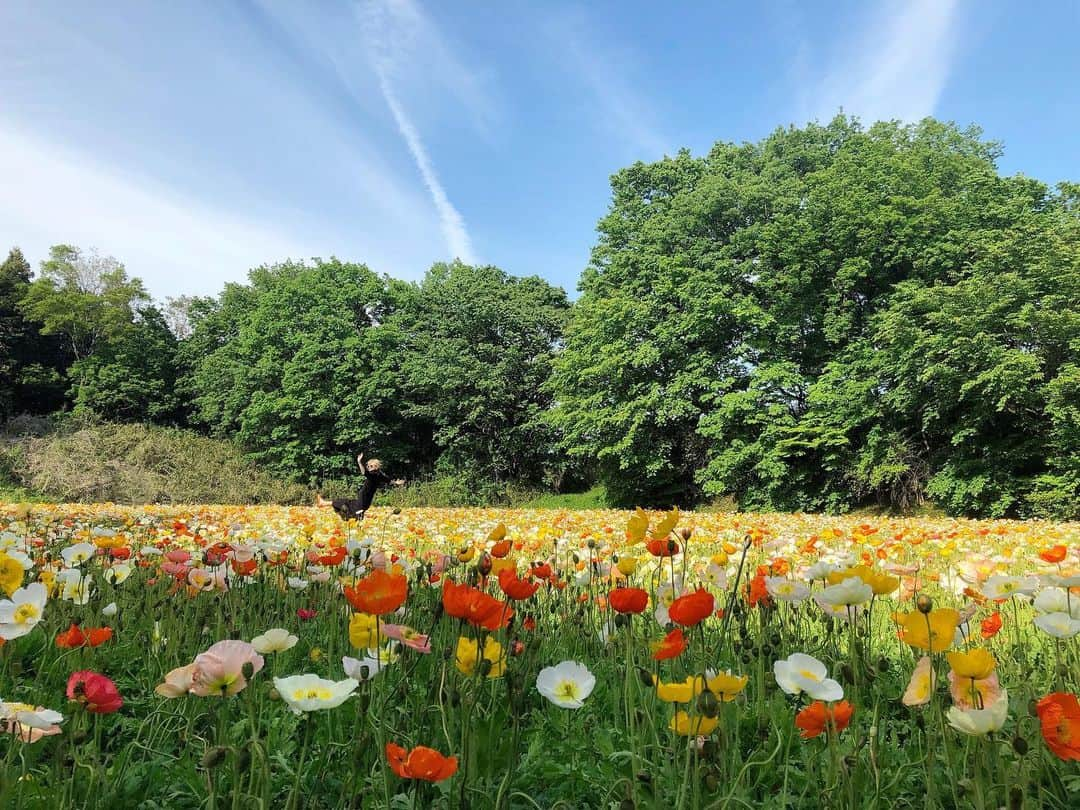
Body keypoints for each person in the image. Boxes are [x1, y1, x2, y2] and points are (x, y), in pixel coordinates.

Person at [314, 453, 404, 522]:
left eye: (370, 466)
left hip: (366, 498)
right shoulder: (377, 474)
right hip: (365, 497)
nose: (368, 467)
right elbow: (387, 480)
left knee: (354, 509)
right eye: (368, 466)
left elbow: (367, 473)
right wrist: (396, 483)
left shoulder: (376, 474)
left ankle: (327, 505)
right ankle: (324, 504)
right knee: (350, 505)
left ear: (376, 466)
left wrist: (359, 462)